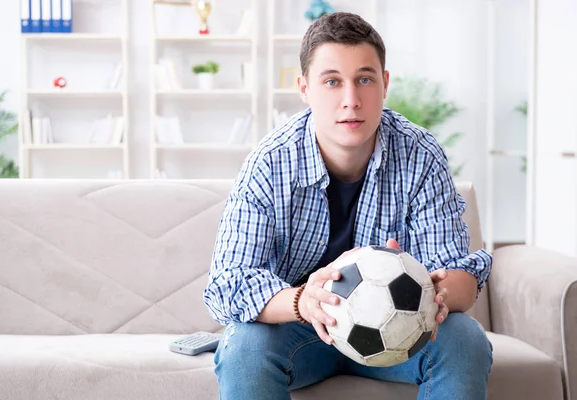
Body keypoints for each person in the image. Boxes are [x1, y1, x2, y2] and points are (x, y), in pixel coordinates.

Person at [203, 11, 493, 400]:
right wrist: (302, 301)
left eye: (365, 79)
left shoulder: (420, 155)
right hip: (300, 328)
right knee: (243, 348)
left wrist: (429, 286)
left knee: (464, 340)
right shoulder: (270, 162)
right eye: (332, 82)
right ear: (304, 88)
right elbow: (227, 284)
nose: (351, 100)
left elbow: (461, 277)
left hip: (400, 325)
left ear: (385, 84)